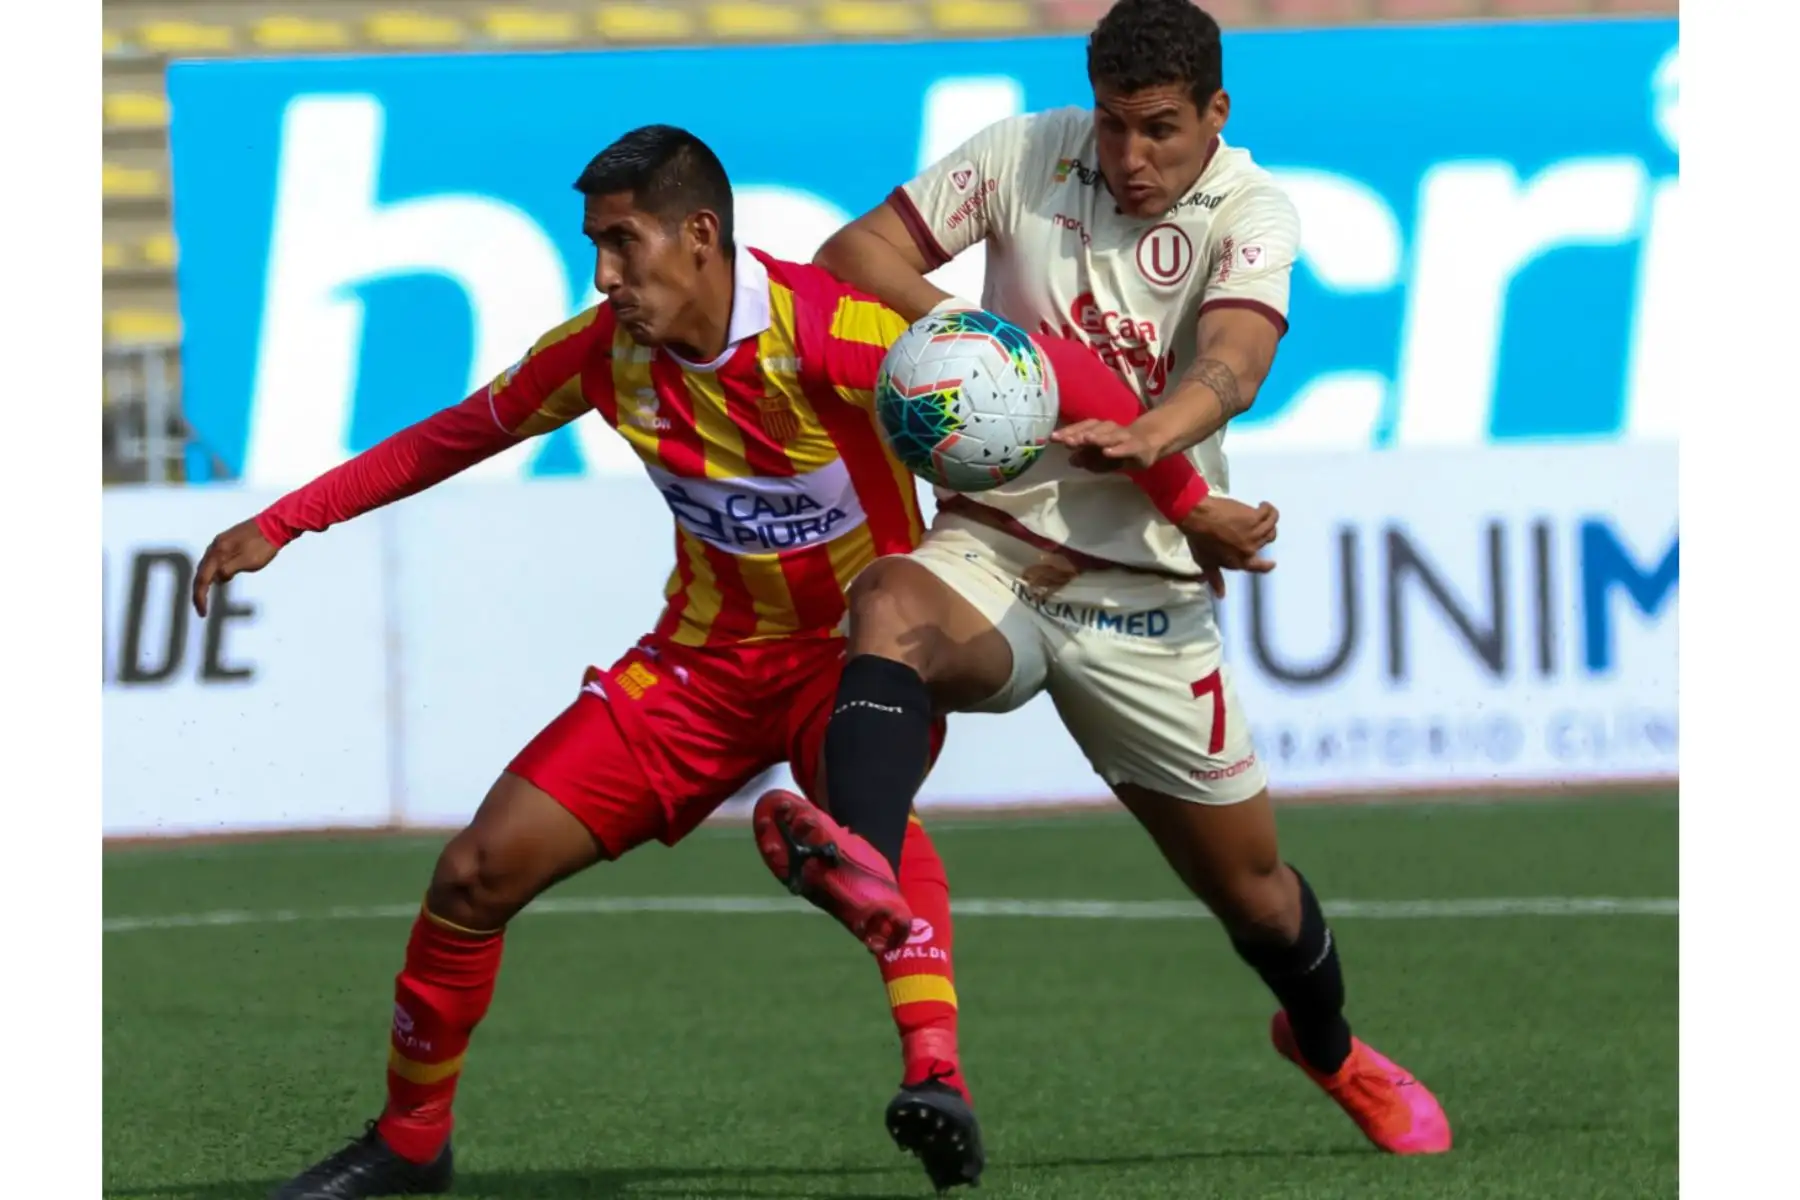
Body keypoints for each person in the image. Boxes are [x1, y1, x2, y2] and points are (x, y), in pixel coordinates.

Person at [192, 123, 1256, 1198]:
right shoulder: (604, 354)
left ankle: (936, 1076)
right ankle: (409, 1143)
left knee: (865, 823)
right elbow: (457, 434)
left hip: (854, 657)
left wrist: (1191, 503)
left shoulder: (827, 329)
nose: (604, 275)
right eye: (594, 248)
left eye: (622, 244)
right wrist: (285, 524)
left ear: (700, 235)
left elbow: (1061, 375)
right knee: (473, 874)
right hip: (697, 670)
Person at [751, 0, 1453, 1158]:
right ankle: (866, 867)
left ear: (1216, 113)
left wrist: (1154, 431)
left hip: (1146, 596)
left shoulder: (1252, 209)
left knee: (1258, 898)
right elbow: (855, 253)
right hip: (998, 549)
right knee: (887, 602)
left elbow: (1234, 361)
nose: (1130, 157)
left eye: (1162, 131)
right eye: (1115, 127)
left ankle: (1330, 1048)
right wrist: (990, 348)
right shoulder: (1029, 148)